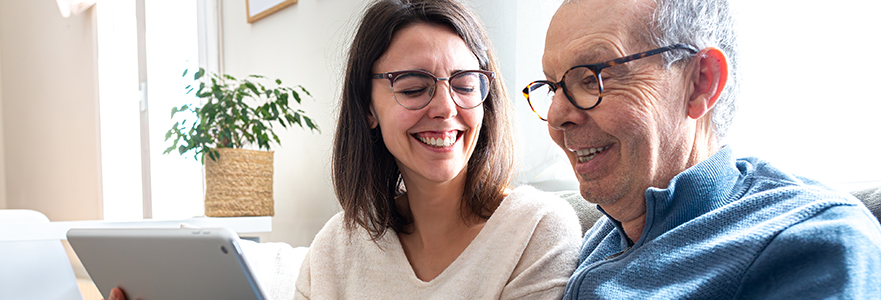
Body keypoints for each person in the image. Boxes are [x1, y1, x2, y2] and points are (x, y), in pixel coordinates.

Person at [521, 0, 881, 298]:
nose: (556, 117)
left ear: (701, 83)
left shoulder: (812, 242)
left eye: (591, 78)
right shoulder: (601, 236)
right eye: (553, 87)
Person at [294, 0, 581, 299]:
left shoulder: (536, 230)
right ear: (368, 108)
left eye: (466, 85)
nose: (445, 108)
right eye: (413, 88)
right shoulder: (336, 245)